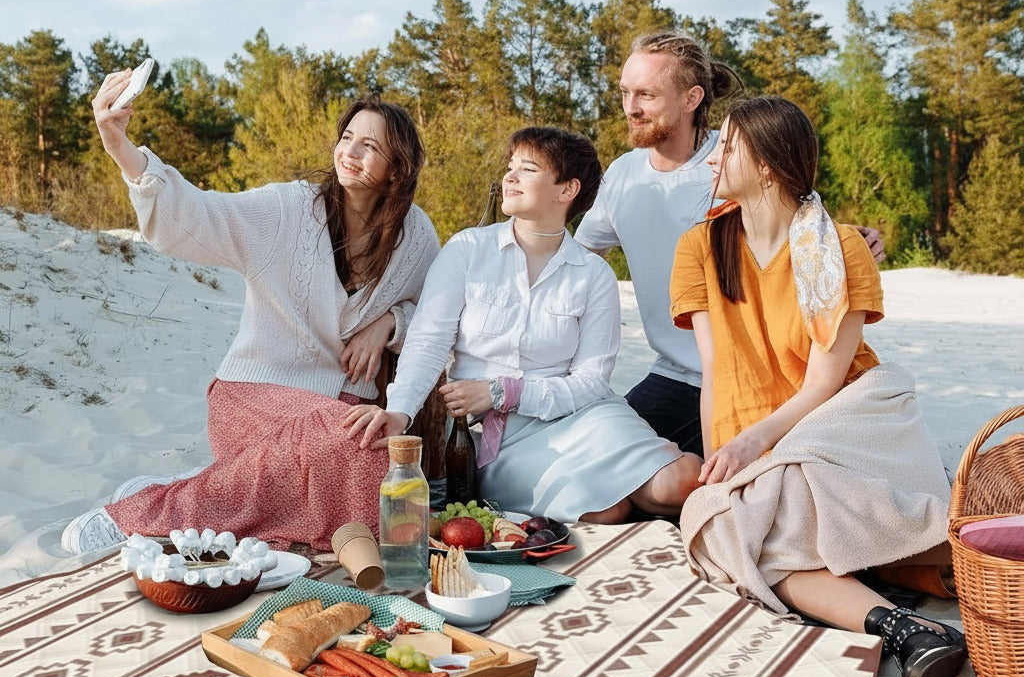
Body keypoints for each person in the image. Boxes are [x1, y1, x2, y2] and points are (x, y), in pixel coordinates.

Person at [61, 77, 439, 554]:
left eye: (370, 146)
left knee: (383, 484)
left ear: (396, 168)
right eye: (347, 138)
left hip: (342, 411)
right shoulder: (289, 208)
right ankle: (145, 513)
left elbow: (439, 318)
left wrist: (391, 323)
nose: (350, 152)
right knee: (358, 453)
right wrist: (120, 147)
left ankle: (216, 479)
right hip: (254, 396)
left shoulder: (416, 237)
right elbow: (200, 214)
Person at [670, 96, 966, 677]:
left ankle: (961, 560)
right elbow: (715, 369)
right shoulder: (699, 247)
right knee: (730, 529)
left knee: (795, 515)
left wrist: (758, 445)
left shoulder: (840, 247)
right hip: (760, 436)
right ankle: (904, 628)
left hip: (844, 420)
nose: (712, 159)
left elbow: (825, 384)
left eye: (727, 146)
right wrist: (721, 459)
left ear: (768, 165)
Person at [344, 126, 701, 523]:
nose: (510, 177)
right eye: (510, 167)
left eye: (527, 169)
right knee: (605, 510)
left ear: (567, 190)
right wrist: (400, 412)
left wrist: (504, 392)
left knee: (681, 482)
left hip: (585, 418)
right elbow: (427, 342)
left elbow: (591, 382)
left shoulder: (593, 274)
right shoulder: (468, 250)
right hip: (498, 440)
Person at [575, 31, 884, 456]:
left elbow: (797, 220)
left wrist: (848, 239)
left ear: (691, 98)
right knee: (602, 461)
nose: (631, 107)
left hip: (764, 374)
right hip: (675, 373)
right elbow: (578, 261)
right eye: (625, 92)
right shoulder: (622, 176)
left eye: (646, 94)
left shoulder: (738, 159)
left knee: (700, 474)